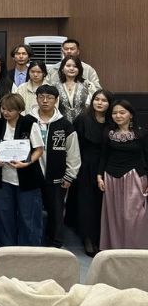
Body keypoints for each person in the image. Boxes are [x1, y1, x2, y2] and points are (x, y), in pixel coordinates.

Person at [0, 93, 45, 247]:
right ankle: (7, 249)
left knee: (28, 217)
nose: (6, 113)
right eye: (3, 109)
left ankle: (29, 250)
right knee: (4, 216)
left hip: (27, 178)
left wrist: (27, 163)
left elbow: (39, 149)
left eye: (10, 110)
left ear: (19, 110)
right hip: (3, 179)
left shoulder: (30, 123)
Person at [31, 84, 80, 248]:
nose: (45, 101)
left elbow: (73, 152)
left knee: (56, 212)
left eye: (49, 98)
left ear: (56, 100)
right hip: (32, 175)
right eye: (41, 97)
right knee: (32, 211)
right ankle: (34, 243)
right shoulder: (28, 121)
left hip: (57, 177)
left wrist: (70, 175)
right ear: (36, 99)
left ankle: (56, 244)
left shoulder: (65, 124)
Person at [98, 100, 148, 250]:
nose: (118, 116)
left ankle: (136, 252)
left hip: (135, 177)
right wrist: (99, 176)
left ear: (130, 115)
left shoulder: (141, 133)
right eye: (114, 113)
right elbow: (103, 156)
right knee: (115, 217)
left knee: (133, 217)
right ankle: (116, 251)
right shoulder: (108, 133)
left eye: (122, 112)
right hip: (111, 178)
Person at [67, 89, 112, 255]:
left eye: (104, 100)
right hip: (85, 165)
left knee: (101, 203)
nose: (99, 103)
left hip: (106, 165)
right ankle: (87, 238)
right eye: (97, 99)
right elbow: (74, 144)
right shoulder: (83, 119)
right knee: (87, 203)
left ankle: (100, 238)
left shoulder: (112, 121)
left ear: (109, 104)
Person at [56, 56, 91, 123]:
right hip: (62, 124)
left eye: (75, 66)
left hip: (83, 124)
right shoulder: (55, 86)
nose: (71, 68)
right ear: (62, 68)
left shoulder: (87, 85)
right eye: (68, 66)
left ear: (79, 69)